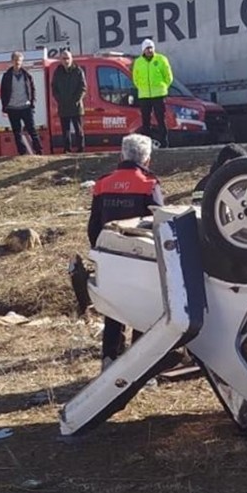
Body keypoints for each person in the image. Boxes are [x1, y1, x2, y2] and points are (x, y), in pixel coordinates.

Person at [87, 133, 164, 369]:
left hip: (110, 255)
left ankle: (110, 359)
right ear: (147, 159)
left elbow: (93, 226)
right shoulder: (149, 184)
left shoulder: (102, 183)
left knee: (114, 307)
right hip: (141, 259)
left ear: (122, 154)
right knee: (143, 309)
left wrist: (99, 251)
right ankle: (138, 366)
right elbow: (160, 224)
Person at [0, 51, 43, 155]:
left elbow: (32, 89)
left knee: (32, 130)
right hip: (12, 108)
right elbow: (3, 92)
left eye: (19, 60)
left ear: (22, 61)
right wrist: (5, 106)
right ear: (12, 61)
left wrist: (32, 103)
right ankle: (22, 152)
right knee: (17, 132)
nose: (17, 63)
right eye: (15, 60)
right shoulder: (6, 76)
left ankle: (38, 151)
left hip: (26, 107)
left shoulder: (27, 75)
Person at [133, 38, 174, 147]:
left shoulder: (161, 59)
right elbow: (135, 78)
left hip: (159, 95)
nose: (149, 50)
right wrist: (142, 88)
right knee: (145, 121)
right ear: (143, 50)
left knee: (161, 120)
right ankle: (146, 145)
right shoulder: (138, 62)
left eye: (151, 48)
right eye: (147, 48)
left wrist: (163, 87)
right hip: (144, 96)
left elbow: (168, 77)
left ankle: (164, 144)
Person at [51, 50, 86, 154]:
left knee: (78, 129)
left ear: (71, 59)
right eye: (63, 58)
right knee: (65, 130)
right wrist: (59, 100)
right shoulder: (57, 72)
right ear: (60, 60)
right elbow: (54, 88)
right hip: (63, 105)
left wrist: (77, 99)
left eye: (67, 58)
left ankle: (81, 149)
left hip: (76, 105)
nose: (66, 60)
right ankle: (67, 149)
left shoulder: (78, 71)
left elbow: (83, 88)